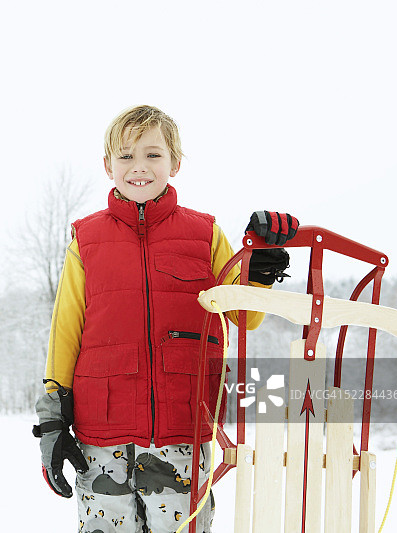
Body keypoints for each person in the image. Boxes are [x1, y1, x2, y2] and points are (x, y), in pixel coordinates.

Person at [32, 105, 298, 533]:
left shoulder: (204, 234)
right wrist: (52, 418)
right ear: (107, 165)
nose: (139, 167)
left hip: (183, 428)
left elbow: (244, 317)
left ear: (175, 162)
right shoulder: (87, 240)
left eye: (153, 155)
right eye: (126, 155)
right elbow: (67, 331)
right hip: (102, 434)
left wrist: (261, 267)